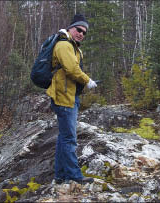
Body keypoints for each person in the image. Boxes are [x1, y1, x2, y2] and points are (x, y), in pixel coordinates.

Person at [47, 14, 97, 184]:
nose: (81, 33)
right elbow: (71, 69)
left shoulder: (73, 46)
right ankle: (74, 175)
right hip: (64, 98)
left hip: (69, 97)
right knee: (69, 139)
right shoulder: (63, 44)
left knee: (64, 138)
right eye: (78, 29)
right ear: (70, 28)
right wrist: (87, 80)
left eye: (84, 32)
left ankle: (60, 176)